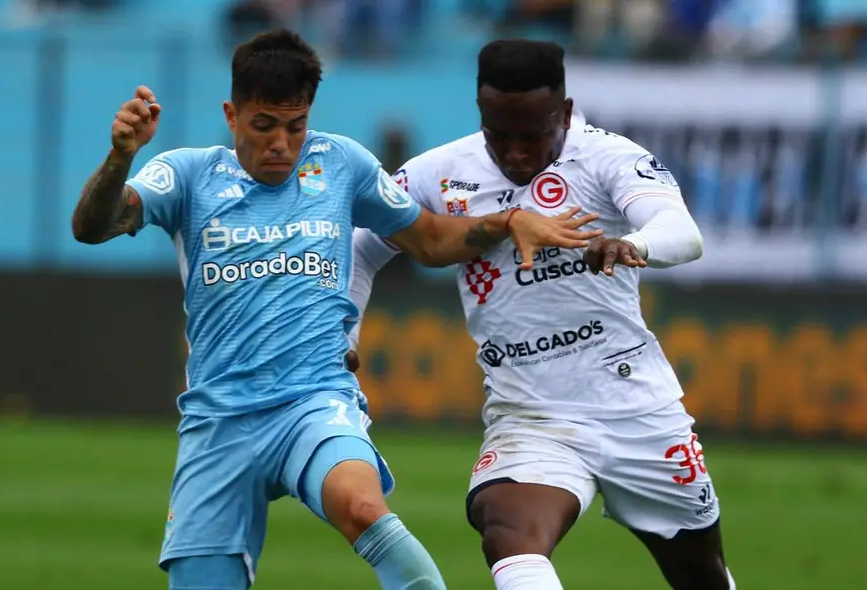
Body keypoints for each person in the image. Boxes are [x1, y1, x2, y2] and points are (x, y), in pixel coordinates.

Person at [69, 30, 600, 590]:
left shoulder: (341, 163)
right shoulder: (187, 174)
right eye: (264, 125)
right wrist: (119, 158)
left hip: (313, 401)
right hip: (219, 419)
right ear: (232, 114)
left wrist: (507, 221)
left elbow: (432, 239)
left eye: (295, 125)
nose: (282, 143)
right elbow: (92, 227)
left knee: (363, 507)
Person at [348, 39, 737, 590]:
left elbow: (683, 232)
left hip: (636, 410)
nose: (513, 154)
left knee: (703, 577)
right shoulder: (439, 173)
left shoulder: (609, 158)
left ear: (566, 111)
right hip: (530, 413)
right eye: (497, 135)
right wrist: (347, 329)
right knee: (506, 527)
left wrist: (635, 246)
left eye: (530, 136)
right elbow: (361, 244)